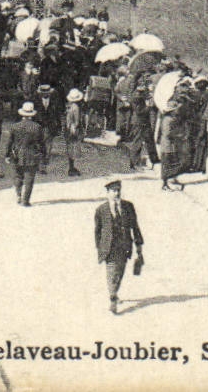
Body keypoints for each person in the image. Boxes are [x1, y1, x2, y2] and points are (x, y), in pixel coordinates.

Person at [94, 179, 144, 315]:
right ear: (108, 193)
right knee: (111, 273)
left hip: (123, 245)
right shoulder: (101, 210)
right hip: (109, 247)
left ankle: (114, 293)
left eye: (118, 191)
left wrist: (139, 244)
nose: (116, 193)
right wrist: (100, 247)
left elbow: (135, 226)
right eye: (113, 191)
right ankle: (113, 298)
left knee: (119, 272)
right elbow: (97, 231)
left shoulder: (128, 206)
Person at [6, 101, 45, 206]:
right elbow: (41, 143)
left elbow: (10, 142)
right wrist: (43, 156)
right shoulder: (37, 127)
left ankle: (18, 194)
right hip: (31, 154)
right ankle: (25, 200)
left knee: (18, 175)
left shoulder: (15, 126)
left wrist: (7, 155)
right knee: (29, 178)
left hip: (17, 154)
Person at [63, 88, 85, 176]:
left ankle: (71, 167)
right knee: (74, 148)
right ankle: (72, 168)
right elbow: (76, 121)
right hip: (73, 129)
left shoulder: (70, 106)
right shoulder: (76, 107)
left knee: (70, 148)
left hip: (69, 129)